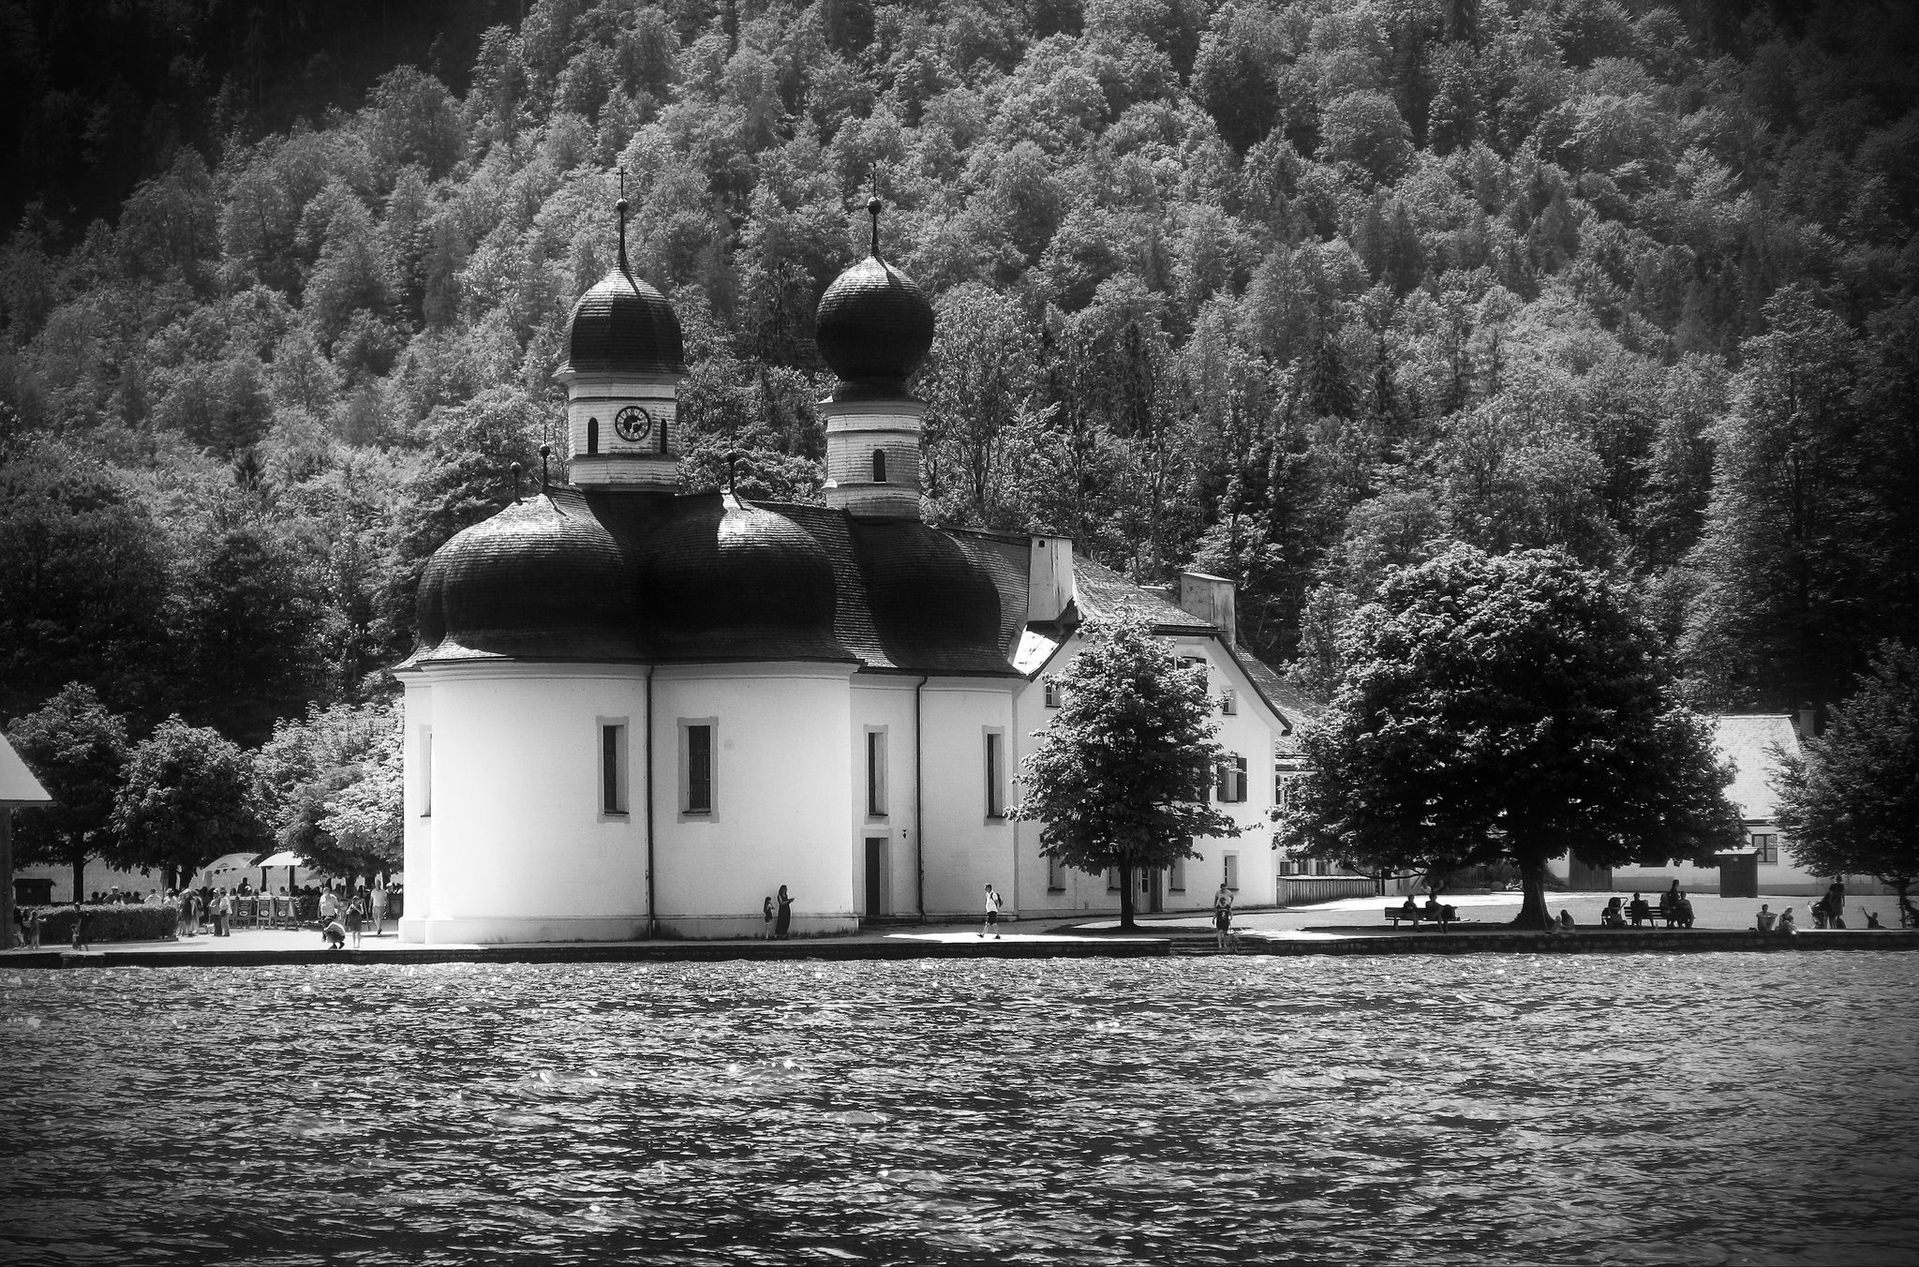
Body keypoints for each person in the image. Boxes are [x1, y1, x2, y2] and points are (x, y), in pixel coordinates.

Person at [1212, 882, 1235, 951]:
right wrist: (1213, 917)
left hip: (1226, 913)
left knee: (1225, 932)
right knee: (1220, 931)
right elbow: (1215, 900)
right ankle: (1220, 944)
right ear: (1221, 888)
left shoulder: (1228, 893)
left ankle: (1224, 944)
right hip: (1220, 914)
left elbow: (1232, 898)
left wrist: (1230, 904)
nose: (1223, 889)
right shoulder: (1218, 893)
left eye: (1224, 888)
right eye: (1222, 888)